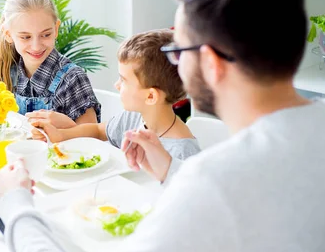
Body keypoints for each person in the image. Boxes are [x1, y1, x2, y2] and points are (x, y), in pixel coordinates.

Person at [0, 0, 325, 252]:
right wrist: (171, 170)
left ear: (212, 64)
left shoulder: (214, 182)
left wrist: (16, 205)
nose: (175, 65)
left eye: (177, 51)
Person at [31, 29, 200, 160]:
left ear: (151, 97)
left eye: (123, 80)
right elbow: (98, 130)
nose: (116, 85)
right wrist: (60, 135)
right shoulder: (133, 118)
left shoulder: (182, 154)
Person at [0, 0, 100, 127]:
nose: (36, 46)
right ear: (8, 34)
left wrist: (67, 126)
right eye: (25, 37)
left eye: (46, 35)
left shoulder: (72, 78)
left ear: (56, 29)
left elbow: (92, 140)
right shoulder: (6, 71)